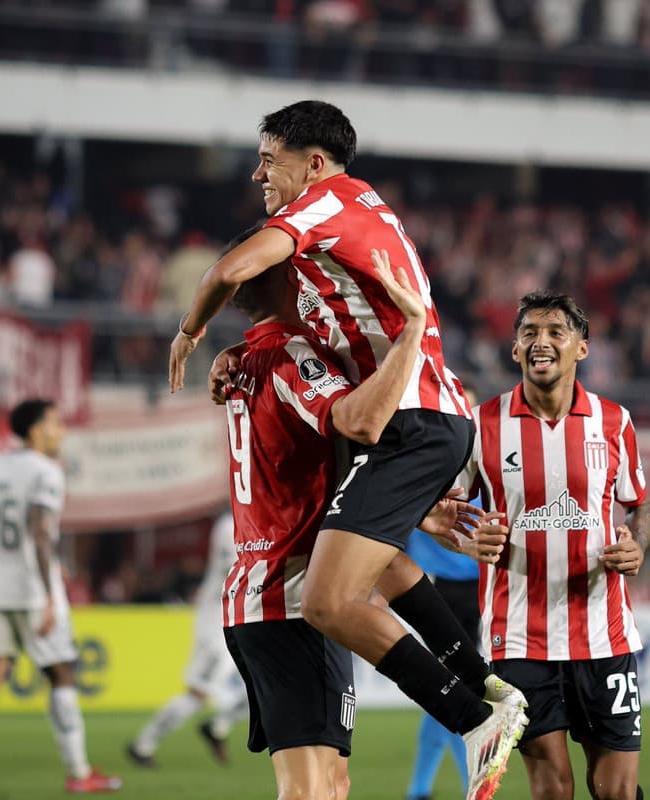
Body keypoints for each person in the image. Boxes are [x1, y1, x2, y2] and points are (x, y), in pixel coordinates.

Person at [169, 100, 527, 800]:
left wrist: (190, 333)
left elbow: (230, 270)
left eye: (267, 161)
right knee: (373, 564)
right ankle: (484, 686)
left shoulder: (322, 210)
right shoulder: (336, 256)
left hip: (406, 422)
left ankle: (475, 715)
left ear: (313, 163)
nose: (258, 175)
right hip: (425, 419)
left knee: (330, 601)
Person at [215, 225, 507, 800]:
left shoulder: (245, 362)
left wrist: (415, 507)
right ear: (291, 278)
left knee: (333, 782)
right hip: (292, 597)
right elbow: (360, 422)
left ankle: (484, 692)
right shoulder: (294, 358)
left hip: (262, 593)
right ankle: (477, 710)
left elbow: (335, 467)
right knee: (309, 790)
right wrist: (412, 334)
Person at [455, 292, 650, 800]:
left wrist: (638, 545)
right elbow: (439, 509)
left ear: (581, 348)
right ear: (515, 349)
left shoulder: (614, 422)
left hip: (604, 636)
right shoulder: (481, 425)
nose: (540, 342)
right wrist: (467, 537)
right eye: (529, 333)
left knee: (615, 790)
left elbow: (639, 505)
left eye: (554, 332)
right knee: (552, 790)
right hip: (518, 640)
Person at [0, 399, 122, 796]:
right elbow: (41, 532)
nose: (60, 430)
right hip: (31, 589)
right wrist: (50, 594)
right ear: (34, 430)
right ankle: (78, 772)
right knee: (62, 672)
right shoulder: (45, 472)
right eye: (54, 423)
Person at [127, 511, 248, 767]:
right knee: (198, 694)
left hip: (241, 619)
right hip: (217, 624)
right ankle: (142, 745)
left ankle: (217, 725)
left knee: (268, 684)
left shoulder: (255, 519)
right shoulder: (229, 524)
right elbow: (237, 568)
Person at [401, 519, 482, 800]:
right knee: (452, 688)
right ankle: (469, 786)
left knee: (449, 688)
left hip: (465, 584)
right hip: (439, 583)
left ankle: (421, 789)